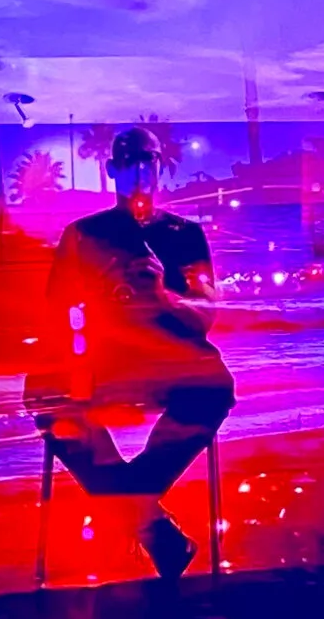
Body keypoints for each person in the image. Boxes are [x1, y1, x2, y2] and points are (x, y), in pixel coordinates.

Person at [29, 124, 233, 580]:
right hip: (104, 359)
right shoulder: (82, 234)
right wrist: (95, 300)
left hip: (169, 360)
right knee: (44, 393)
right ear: (111, 170)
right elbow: (55, 317)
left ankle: (133, 514)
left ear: (161, 168)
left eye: (148, 163)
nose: (140, 174)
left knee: (215, 389)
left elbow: (205, 316)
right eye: (129, 165)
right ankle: (150, 525)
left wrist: (163, 293)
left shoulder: (184, 235)